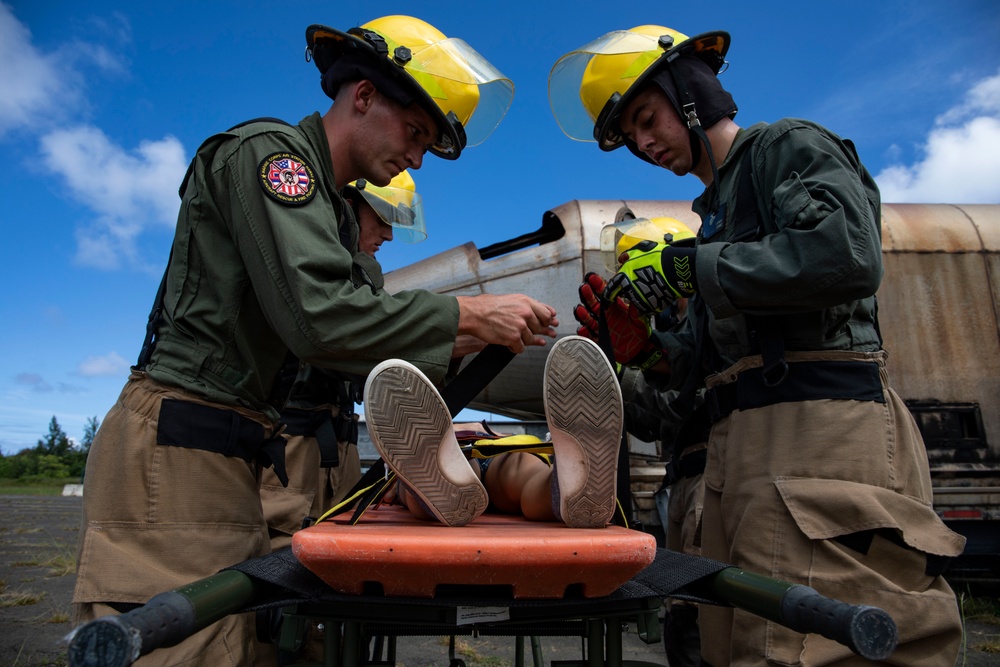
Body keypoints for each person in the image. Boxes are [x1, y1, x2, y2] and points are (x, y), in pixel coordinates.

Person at [73, 16, 559, 665]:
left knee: (254, 646)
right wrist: (470, 317)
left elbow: (354, 338)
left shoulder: (330, 212)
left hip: (237, 451)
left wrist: (467, 349)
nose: (416, 158)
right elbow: (320, 320)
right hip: (183, 445)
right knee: (186, 650)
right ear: (362, 96)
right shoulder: (271, 158)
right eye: (415, 132)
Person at [550, 24, 966, 666]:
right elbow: (697, 370)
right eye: (631, 136)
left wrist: (696, 268)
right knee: (743, 643)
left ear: (688, 90)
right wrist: (646, 354)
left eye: (646, 117)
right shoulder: (710, 216)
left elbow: (848, 254)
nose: (644, 143)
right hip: (740, 444)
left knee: (819, 644)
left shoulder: (785, 147)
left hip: (818, 429)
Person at [260, 170, 426, 552]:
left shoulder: (353, 278)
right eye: (383, 218)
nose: (388, 235)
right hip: (292, 455)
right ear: (347, 207)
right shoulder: (316, 272)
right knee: (278, 563)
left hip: (339, 450)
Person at [574, 215, 706, 666]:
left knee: (709, 622)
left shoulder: (715, 310)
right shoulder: (672, 323)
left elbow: (689, 402)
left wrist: (647, 357)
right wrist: (617, 362)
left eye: (632, 267)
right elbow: (651, 423)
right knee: (685, 620)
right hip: (685, 482)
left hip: (716, 477)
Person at [363, 334, 624, 529]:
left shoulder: (412, 431)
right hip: (500, 448)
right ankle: (562, 486)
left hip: (471, 450)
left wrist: (394, 485)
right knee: (523, 474)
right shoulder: (476, 427)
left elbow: (385, 493)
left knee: (430, 478)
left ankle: (432, 492)